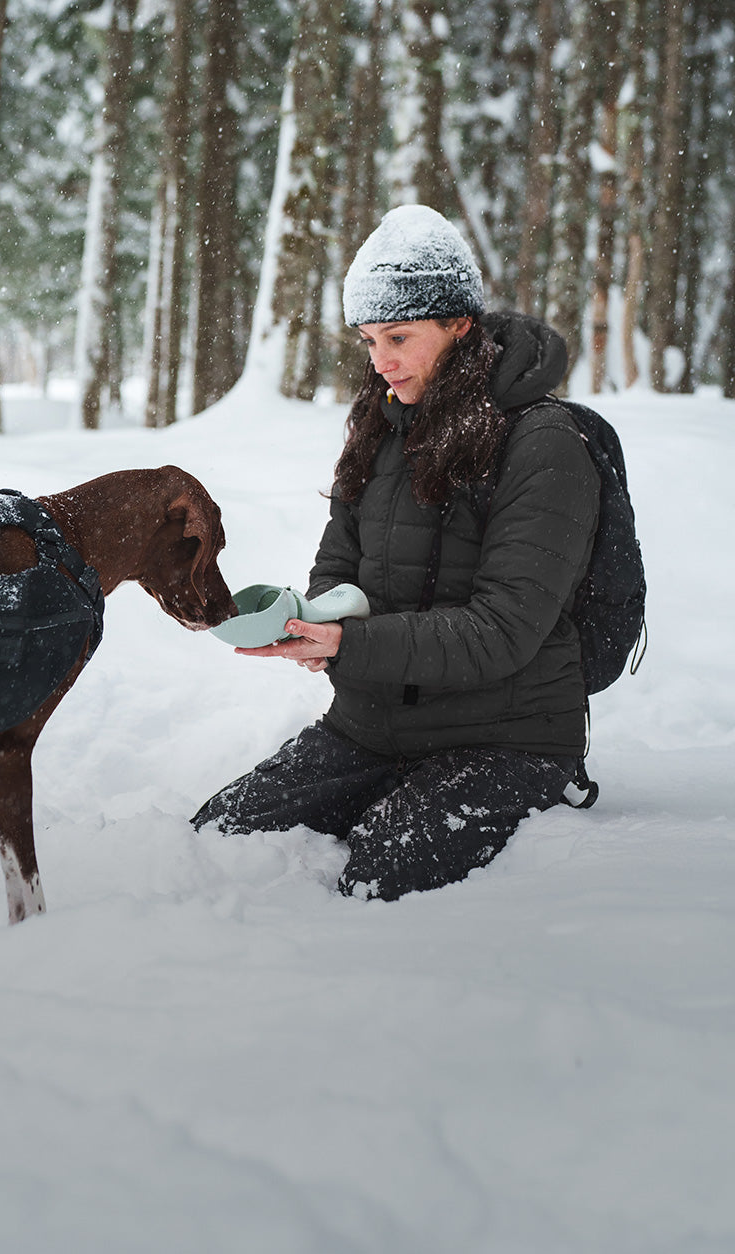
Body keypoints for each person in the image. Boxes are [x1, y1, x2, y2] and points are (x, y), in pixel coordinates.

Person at [192, 204, 601, 901]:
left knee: (382, 872)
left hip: (507, 739)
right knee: (217, 838)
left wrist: (350, 645)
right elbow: (339, 563)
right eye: (368, 339)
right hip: (372, 727)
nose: (381, 362)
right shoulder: (382, 426)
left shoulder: (546, 444)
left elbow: (502, 632)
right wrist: (314, 622)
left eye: (400, 337)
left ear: (461, 326)